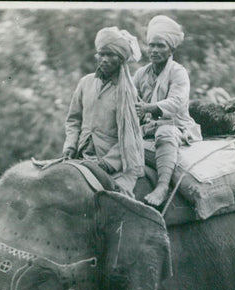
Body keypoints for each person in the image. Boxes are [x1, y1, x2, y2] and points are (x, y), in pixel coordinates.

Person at [62, 27, 145, 196]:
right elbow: (73, 120)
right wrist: (70, 145)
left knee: (116, 199)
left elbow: (129, 135)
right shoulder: (86, 83)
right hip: (81, 154)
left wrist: (108, 162)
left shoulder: (128, 92)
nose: (105, 60)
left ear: (120, 59)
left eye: (111, 55)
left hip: (111, 160)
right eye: (102, 54)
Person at [133, 15, 202, 206]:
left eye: (160, 46)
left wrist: (148, 108)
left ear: (171, 49)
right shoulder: (141, 74)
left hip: (175, 125)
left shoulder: (178, 72)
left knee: (165, 133)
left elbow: (177, 102)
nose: (154, 50)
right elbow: (130, 98)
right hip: (147, 127)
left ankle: (162, 186)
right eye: (151, 45)